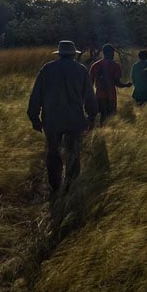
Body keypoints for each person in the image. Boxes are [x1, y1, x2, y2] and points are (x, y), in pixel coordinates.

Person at [27, 40, 98, 196]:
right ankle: (70, 187)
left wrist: (34, 118)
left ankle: (55, 187)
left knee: (53, 152)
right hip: (75, 120)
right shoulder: (81, 70)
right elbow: (90, 97)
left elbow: (36, 95)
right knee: (73, 153)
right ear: (73, 55)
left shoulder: (47, 69)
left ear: (59, 54)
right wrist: (91, 116)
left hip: (52, 120)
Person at [89, 44, 132, 125]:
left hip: (99, 96)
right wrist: (126, 85)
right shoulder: (115, 65)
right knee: (110, 118)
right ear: (111, 53)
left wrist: (90, 98)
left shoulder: (95, 65)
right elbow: (117, 83)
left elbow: (90, 84)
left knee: (101, 116)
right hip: (111, 96)